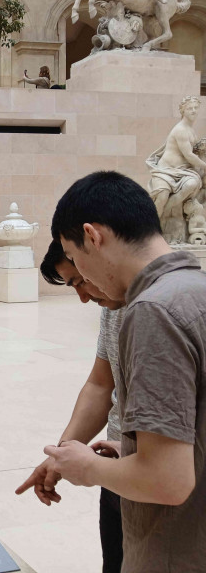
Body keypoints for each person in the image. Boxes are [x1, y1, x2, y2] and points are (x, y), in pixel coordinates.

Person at [46, 171, 204, 573]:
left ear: (92, 236)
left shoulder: (153, 310)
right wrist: (132, 452)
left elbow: (167, 480)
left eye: (75, 258)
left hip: (174, 550)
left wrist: (88, 468)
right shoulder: (195, 289)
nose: (84, 280)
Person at [16, 239, 125, 573]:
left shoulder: (166, 311)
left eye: (80, 280)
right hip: (119, 473)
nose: (83, 297)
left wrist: (92, 468)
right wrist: (61, 453)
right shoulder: (112, 307)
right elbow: (100, 385)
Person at [146, 96, 206, 244]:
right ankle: (149, 230)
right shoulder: (181, 130)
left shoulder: (191, 130)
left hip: (183, 171)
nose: (193, 111)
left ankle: (167, 212)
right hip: (165, 171)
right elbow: (189, 155)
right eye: (189, 108)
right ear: (183, 111)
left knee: (192, 184)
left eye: (195, 108)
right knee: (162, 195)